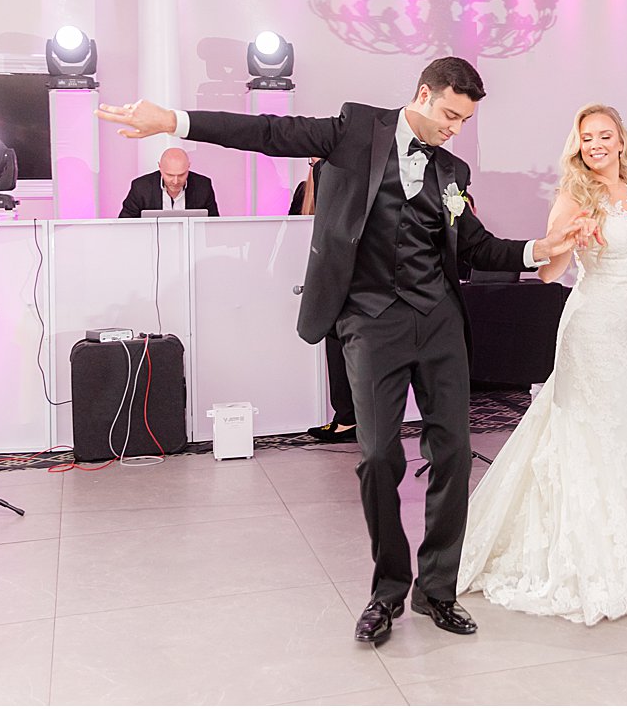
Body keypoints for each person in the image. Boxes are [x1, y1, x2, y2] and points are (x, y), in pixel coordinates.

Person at [96, 57, 593, 646]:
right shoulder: (356, 129)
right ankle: (387, 591)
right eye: (450, 115)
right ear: (424, 95)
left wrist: (540, 248)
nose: (455, 129)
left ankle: (438, 589)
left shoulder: (453, 169)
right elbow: (268, 135)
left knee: (454, 452)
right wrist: (175, 121)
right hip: (369, 320)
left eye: (464, 121)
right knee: (379, 455)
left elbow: (477, 247)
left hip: (438, 321)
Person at [458, 103, 627, 624]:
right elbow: (552, 273)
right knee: (589, 432)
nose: (595, 144)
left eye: (604, 135)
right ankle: (594, 555)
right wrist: (570, 238)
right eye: (586, 138)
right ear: (578, 146)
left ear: (620, 139)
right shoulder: (575, 193)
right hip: (591, 325)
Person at [288, 159, 356, 444]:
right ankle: (347, 417)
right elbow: (292, 229)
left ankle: (347, 419)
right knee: (334, 343)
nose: (316, 165)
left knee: (342, 347)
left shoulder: (344, 184)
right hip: (324, 276)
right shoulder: (305, 190)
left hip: (340, 279)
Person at [118, 147, 220, 217]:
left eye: (181, 175)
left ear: (188, 167)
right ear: (160, 167)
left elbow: (213, 226)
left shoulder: (203, 186)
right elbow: (125, 225)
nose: (175, 181)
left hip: (192, 245)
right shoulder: (140, 187)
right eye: (170, 175)